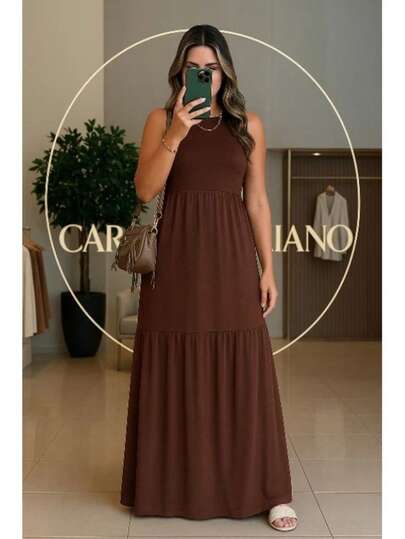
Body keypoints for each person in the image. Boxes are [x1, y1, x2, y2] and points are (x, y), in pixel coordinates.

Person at [120, 24, 298, 532]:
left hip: (231, 261)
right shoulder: (160, 120)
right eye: (194, 67)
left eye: (212, 68)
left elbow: (257, 201)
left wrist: (268, 267)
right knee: (176, 363)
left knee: (246, 367)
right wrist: (176, 133)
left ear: (225, 73)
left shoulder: (249, 125)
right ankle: (173, 487)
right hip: (175, 264)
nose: (204, 75)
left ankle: (269, 491)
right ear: (181, 72)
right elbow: (145, 188)